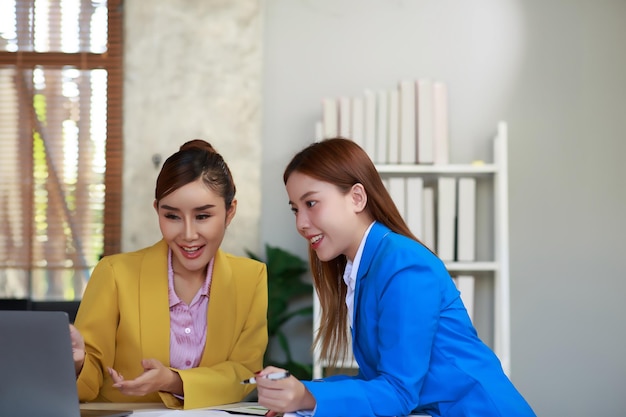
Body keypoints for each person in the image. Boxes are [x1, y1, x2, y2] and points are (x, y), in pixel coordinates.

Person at [255, 138, 536, 417]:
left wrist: (307, 396)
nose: (301, 223)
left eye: (312, 203)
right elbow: (382, 381)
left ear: (356, 198)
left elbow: (398, 392)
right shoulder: (364, 268)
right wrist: (298, 392)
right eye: (295, 209)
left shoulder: (404, 265)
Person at [70, 139, 268, 410]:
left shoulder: (250, 278)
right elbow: (91, 372)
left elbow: (244, 373)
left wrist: (174, 381)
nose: (187, 235)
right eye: (172, 216)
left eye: (202, 216)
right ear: (157, 211)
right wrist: (79, 362)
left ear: (229, 211)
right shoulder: (115, 274)